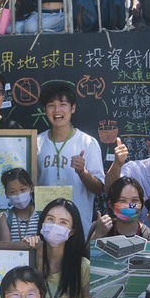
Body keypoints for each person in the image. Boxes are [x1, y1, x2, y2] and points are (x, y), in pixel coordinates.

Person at [35, 81, 105, 230]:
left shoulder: (87, 143)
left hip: (78, 228)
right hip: (45, 226)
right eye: (51, 105)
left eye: (63, 104)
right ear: (45, 110)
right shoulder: (36, 143)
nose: (57, 110)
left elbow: (99, 189)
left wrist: (83, 173)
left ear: (73, 108)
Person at [89, 177, 150, 241]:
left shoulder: (148, 237)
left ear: (142, 202)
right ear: (111, 204)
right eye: (122, 201)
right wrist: (97, 234)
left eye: (134, 200)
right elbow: (86, 251)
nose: (128, 206)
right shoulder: (99, 227)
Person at [0, 168, 40, 242]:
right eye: (12, 192)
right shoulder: (5, 218)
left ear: (31, 188)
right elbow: (6, 247)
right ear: (6, 194)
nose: (19, 195)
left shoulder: (40, 214)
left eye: (23, 190)